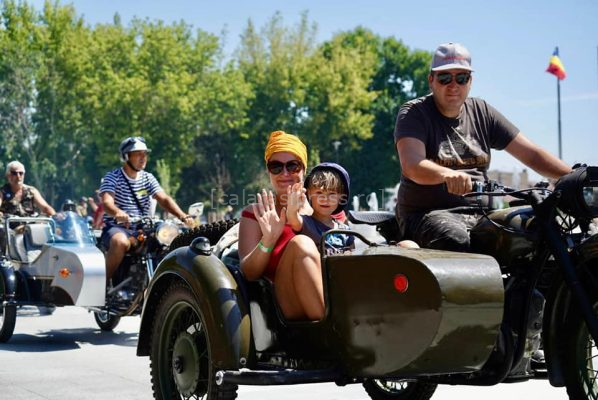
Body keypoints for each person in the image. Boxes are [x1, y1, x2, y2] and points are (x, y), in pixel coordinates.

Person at [394, 42, 572, 252]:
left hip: (481, 214)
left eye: (461, 78)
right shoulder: (414, 113)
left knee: (536, 232)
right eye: (445, 78)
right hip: (426, 215)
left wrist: (575, 177)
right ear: (431, 80)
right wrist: (447, 175)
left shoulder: (482, 112)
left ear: (470, 81)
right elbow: (412, 166)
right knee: (456, 240)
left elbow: (532, 155)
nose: (453, 85)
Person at [238, 130, 325, 321]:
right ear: (268, 172)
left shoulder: (323, 210)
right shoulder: (256, 213)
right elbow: (249, 273)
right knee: (301, 243)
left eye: (293, 166)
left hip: (331, 296)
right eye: (276, 167)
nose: (285, 173)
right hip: (279, 308)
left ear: (304, 169)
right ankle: (333, 330)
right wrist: (268, 240)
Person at [99, 136, 195, 280]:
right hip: (119, 227)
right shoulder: (112, 177)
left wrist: (183, 216)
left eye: (145, 154)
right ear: (126, 157)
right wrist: (118, 212)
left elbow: (164, 199)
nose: (143, 158)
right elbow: (107, 202)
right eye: (138, 154)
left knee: (172, 237)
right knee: (120, 242)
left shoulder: (148, 178)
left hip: (143, 227)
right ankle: (103, 283)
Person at [286, 162, 355, 254]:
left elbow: (353, 258)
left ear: (341, 197)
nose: (325, 199)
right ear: (309, 194)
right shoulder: (306, 223)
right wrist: (292, 207)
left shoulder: (346, 231)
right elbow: (293, 218)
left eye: (332, 194)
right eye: (319, 193)